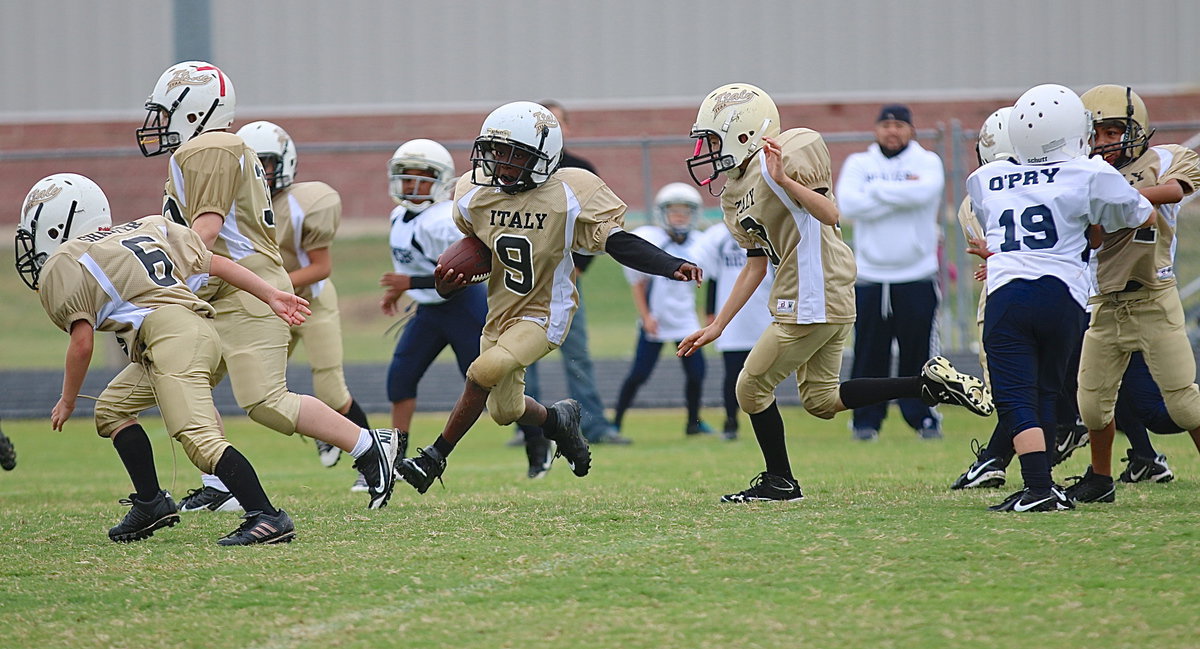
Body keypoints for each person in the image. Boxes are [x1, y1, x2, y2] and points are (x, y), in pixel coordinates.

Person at [678, 83, 992, 503]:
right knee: (821, 400)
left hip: (814, 291)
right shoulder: (734, 194)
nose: (707, 150)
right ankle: (928, 385)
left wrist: (785, 180)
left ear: (744, 132)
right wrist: (718, 324)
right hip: (814, 293)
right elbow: (756, 263)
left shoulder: (787, 154)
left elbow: (830, 214)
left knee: (749, 388)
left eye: (713, 139)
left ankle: (780, 482)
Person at [128, 61, 400, 511]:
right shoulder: (205, 149)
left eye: (165, 111)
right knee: (182, 385)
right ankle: (220, 486)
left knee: (265, 400)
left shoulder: (209, 147)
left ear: (193, 110)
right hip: (218, 287)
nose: (157, 122)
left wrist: (164, 280)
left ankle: (370, 448)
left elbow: (206, 232)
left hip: (243, 287)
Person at [395, 101, 702, 494]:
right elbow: (477, 255)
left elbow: (617, 242)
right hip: (500, 314)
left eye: (515, 154)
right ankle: (560, 422)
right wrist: (448, 284)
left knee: (482, 372)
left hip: (545, 313)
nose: (502, 163)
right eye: (496, 152)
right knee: (505, 410)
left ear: (542, 156)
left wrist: (668, 263)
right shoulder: (475, 194)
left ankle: (433, 458)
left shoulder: (570, 193)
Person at [16, 173, 308, 544]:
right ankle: (152, 503)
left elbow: (82, 343)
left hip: (172, 338)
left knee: (200, 441)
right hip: (193, 332)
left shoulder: (66, 259)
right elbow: (214, 263)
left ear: (58, 225)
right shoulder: (147, 226)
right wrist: (270, 293)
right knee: (112, 409)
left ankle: (267, 516)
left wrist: (68, 399)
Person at [967, 83, 1153, 512]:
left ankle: (1036, 490)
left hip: (1009, 294)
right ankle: (1044, 485)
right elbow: (1137, 212)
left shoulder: (986, 178)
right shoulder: (1089, 173)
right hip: (1065, 297)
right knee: (1048, 391)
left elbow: (992, 219)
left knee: (1016, 397)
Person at [1067, 84, 1200, 503]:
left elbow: (1176, 191)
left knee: (1182, 404)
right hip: (1105, 303)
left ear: (1136, 129)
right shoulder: (1079, 172)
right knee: (1091, 405)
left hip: (1154, 298)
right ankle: (1100, 479)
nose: (1103, 143)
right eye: (1097, 134)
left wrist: (1118, 199)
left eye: (1112, 132)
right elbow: (1088, 237)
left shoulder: (1164, 159)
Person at [237, 120, 380, 488]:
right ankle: (321, 429)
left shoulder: (306, 203)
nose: (257, 174)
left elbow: (321, 267)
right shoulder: (238, 209)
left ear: (283, 162)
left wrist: (267, 288)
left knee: (332, 391)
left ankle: (376, 459)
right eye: (249, 165)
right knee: (261, 389)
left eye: (263, 164)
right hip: (271, 308)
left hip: (311, 304)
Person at [376, 139, 506, 472]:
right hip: (429, 311)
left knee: (494, 392)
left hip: (463, 307)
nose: (412, 185)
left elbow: (471, 270)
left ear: (442, 182)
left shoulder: (442, 221)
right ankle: (393, 459)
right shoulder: (397, 217)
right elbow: (412, 264)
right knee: (400, 379)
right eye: (407, 177)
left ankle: (541, 437)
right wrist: (401, 289)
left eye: (422, 178)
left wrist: (411, 284)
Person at [515, 99, 628, 446]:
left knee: (577, 356)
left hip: (566, 281)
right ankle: (528, 428)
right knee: (520, 357)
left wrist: (577, 266)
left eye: (556, 123)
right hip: (524, 284)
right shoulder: (518, 168)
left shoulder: (580, 169)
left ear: (567, 127)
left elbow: (601, 224)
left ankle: (593, 425)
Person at [836, 104, 947, 441]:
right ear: (876, 130)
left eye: (899, 125)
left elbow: (925, 193)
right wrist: (901, 195)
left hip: (916, 274)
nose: (892, 131)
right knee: (870, 353)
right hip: (870, 276)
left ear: (910, 130)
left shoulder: (927, 162)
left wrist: (875, 192)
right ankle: (865, 421)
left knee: (918, 355)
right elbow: (848, 204)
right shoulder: (859, 164)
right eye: (886, 125)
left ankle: (923, 417)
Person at [612, 182, 712, 437]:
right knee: (639, 374)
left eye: (684, 211)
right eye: (674, 211)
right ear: (662, 213)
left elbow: (710, 280)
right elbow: (638, 282)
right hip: (657, 319)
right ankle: (615, 422)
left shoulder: (701, 243)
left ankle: (693, 423)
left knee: (697, 374)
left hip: (685, 320)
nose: (679, 216)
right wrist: (646, 317)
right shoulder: (651, 239)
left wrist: (704, 315)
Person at [695, 217, 774, 441]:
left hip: (763, 313)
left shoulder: (767, 229)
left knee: (765, 376)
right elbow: (712, 276)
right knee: (732, 375)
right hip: (732, 318)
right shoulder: (719, 236)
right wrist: (711, 313)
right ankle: (731, 422)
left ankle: (767, 424)